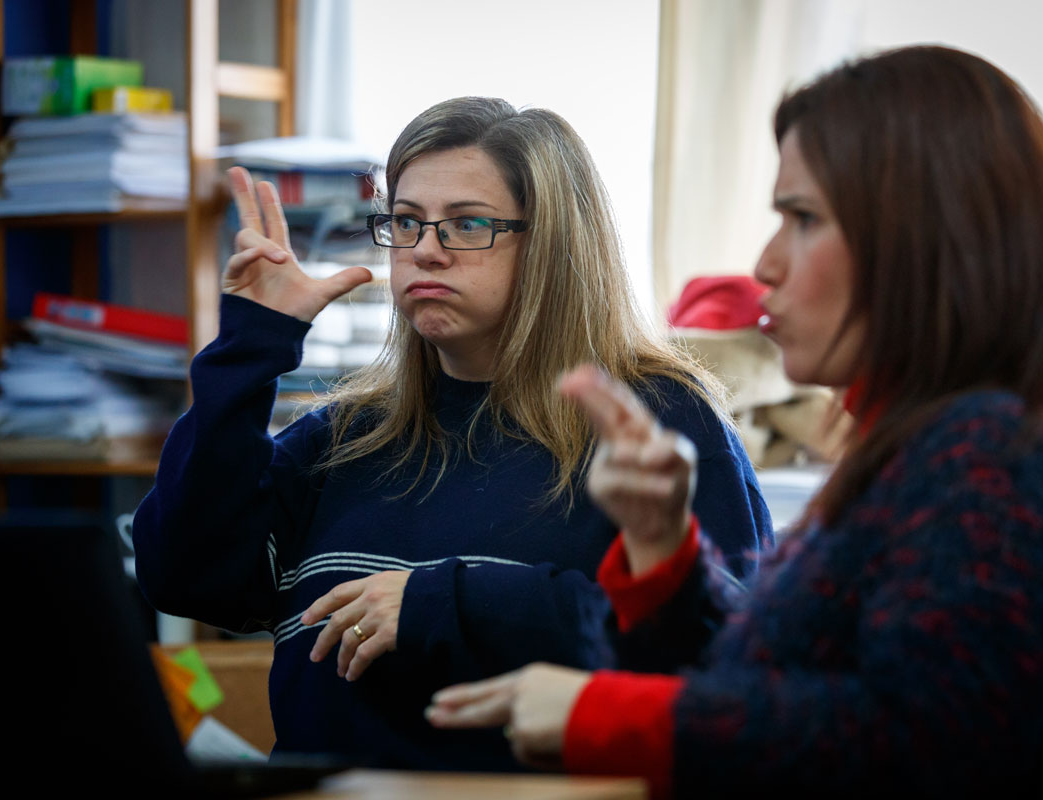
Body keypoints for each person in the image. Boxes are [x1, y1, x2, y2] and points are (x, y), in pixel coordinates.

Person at [425, 46, 1043, 798]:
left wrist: (608, 714)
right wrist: (661, 550)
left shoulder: (1003, 467)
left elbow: (910, 750)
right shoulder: (941, 451)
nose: (765, 263)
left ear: (929, 240)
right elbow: (760, 684)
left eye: (803, 218)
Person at [132, 97, 771, 770]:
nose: (426, 251)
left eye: (467, 225)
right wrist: (250, 349)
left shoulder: (656, 417)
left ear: (551, 242)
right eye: (407, 223)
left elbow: (731, 655)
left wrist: (447, 604)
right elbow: (184, 579)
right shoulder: (347, 434)